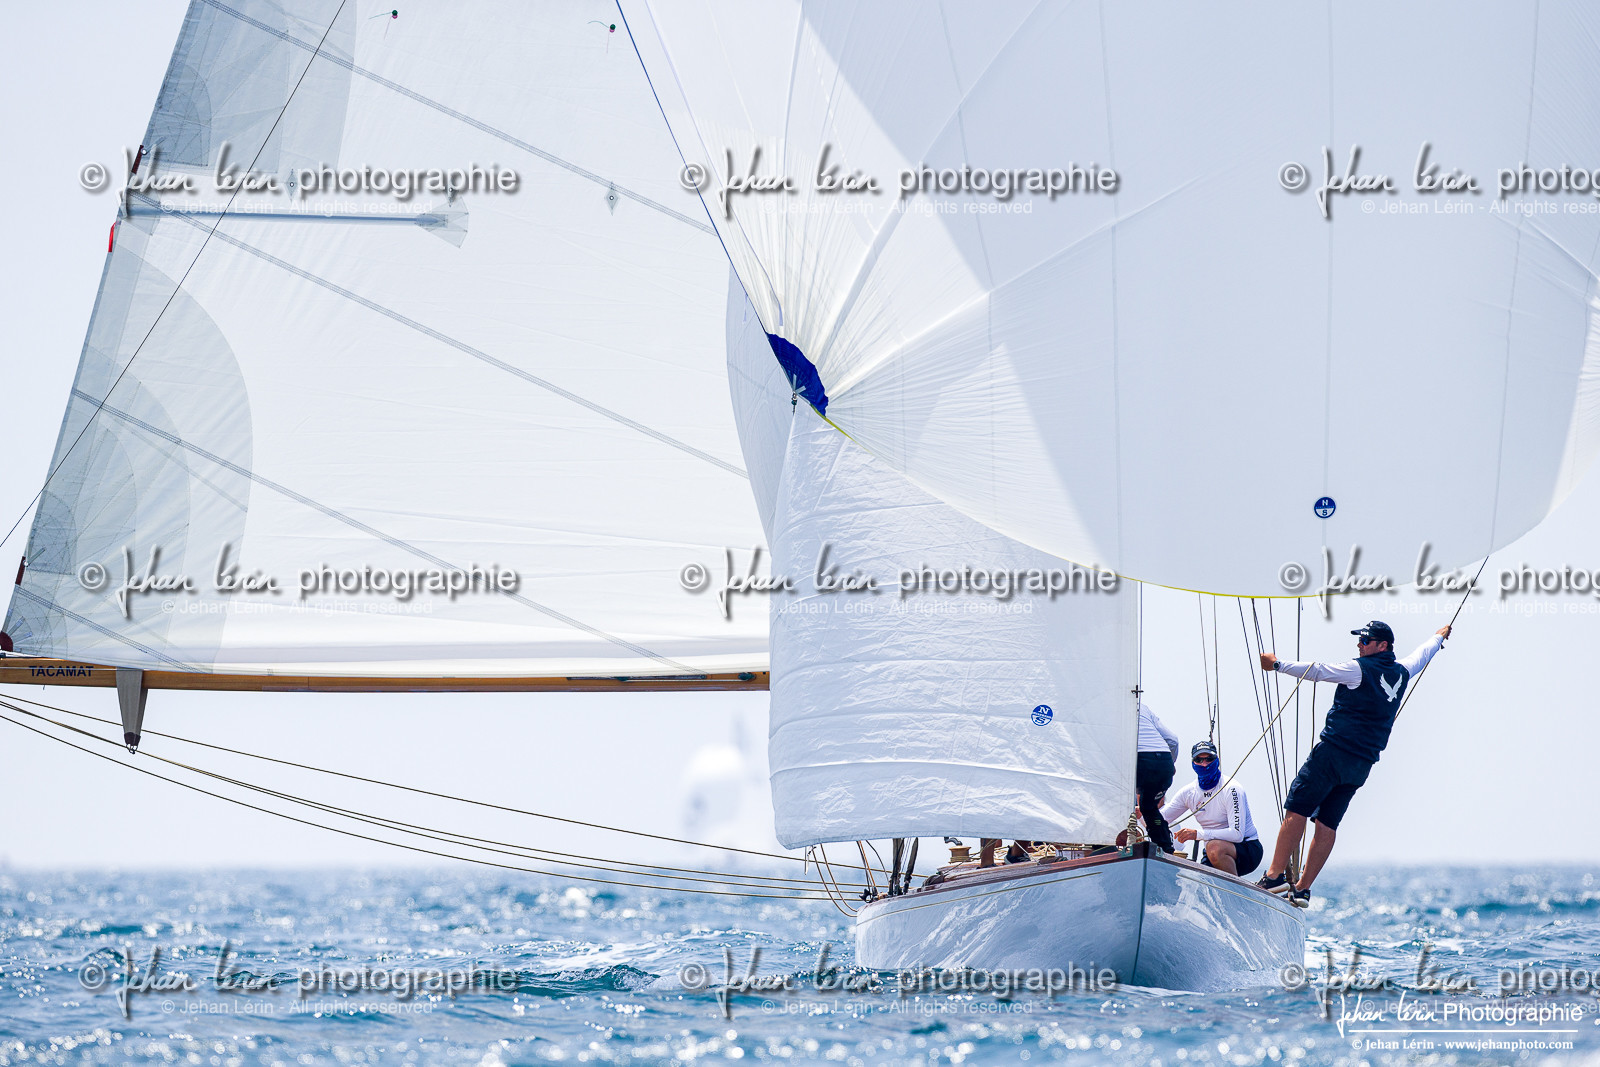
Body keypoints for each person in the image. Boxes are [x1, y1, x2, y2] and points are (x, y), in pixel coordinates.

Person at [1255, 620, 1450, 903]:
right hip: (1361, 765)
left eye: (1365, 641)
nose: (1359, 645)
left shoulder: (1358, 669)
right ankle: (1303, 888)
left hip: (1332, 754)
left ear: (1382, 646)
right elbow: (1422, 655)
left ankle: (1273, 877)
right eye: (1359, 640)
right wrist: (1438, 637)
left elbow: (1319, 671)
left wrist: (1276, 665)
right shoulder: (1402, 672)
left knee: (1296, 809)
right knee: (1328, 824)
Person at [1161, 740, 1263, 876]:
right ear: (1193, 763)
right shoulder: (1188, 792)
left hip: (1247, 848)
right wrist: (1142, 813)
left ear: (1217, 760)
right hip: (1212, 850)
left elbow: (1237, 834)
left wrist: (1197, 834)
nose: (1204, 764)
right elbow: (1162, 818)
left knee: (1214, 847)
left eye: (1209, 759)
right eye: (1199, 759)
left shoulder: (1232, 789)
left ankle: (1234, 891)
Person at [1135, 702, 1179, 853]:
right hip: (1164, 762)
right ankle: (1166, 850)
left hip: (1139, 760)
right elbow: (1173, 740)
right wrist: (1169, 765)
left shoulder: (1104, 706)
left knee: (1114, 800)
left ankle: (1102, 848)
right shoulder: (1142, 706)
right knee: (1148, 808)